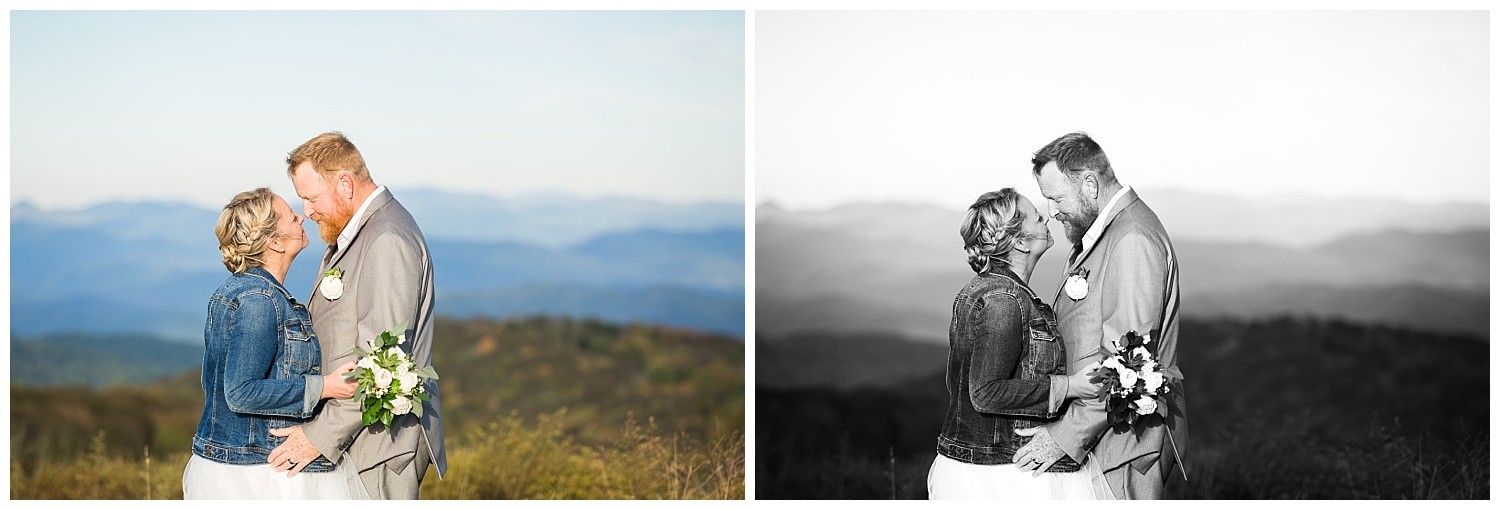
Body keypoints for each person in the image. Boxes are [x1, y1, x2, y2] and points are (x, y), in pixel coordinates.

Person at [266, 132, 447, 499]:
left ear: (345, 185)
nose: (307, 211)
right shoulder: (359, 232)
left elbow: (382, 362)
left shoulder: (387, 240)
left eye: (311, 198)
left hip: (380, 450)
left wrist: (319, 436)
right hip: (361, 441)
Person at [1013, 132, 1188, 499]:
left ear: (1090, 185)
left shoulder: (1131, 239)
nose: (1052, 212)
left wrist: (1065, 436)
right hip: (1106, 437)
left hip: (1127, 447)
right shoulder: (1104, 232)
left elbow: (1127, 364)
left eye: (1056, 198)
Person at [927, 188, 1111, 500]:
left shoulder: (990, 291)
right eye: (1038, 218)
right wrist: (1072, 386)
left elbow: (958, 382)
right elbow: (985, 393)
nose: (1047, 218)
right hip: (1004, 473)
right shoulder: (1004, 300)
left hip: (989, 463)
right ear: (1020, 242)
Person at [184, 187, 360, 499]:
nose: (302, 218)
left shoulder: (239, 290)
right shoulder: (259, 300)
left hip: (245, 462)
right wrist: (326, 386)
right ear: (274, 242)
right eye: (292, 217)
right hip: (260, 472)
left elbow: (213, 382)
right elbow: (240, 392)